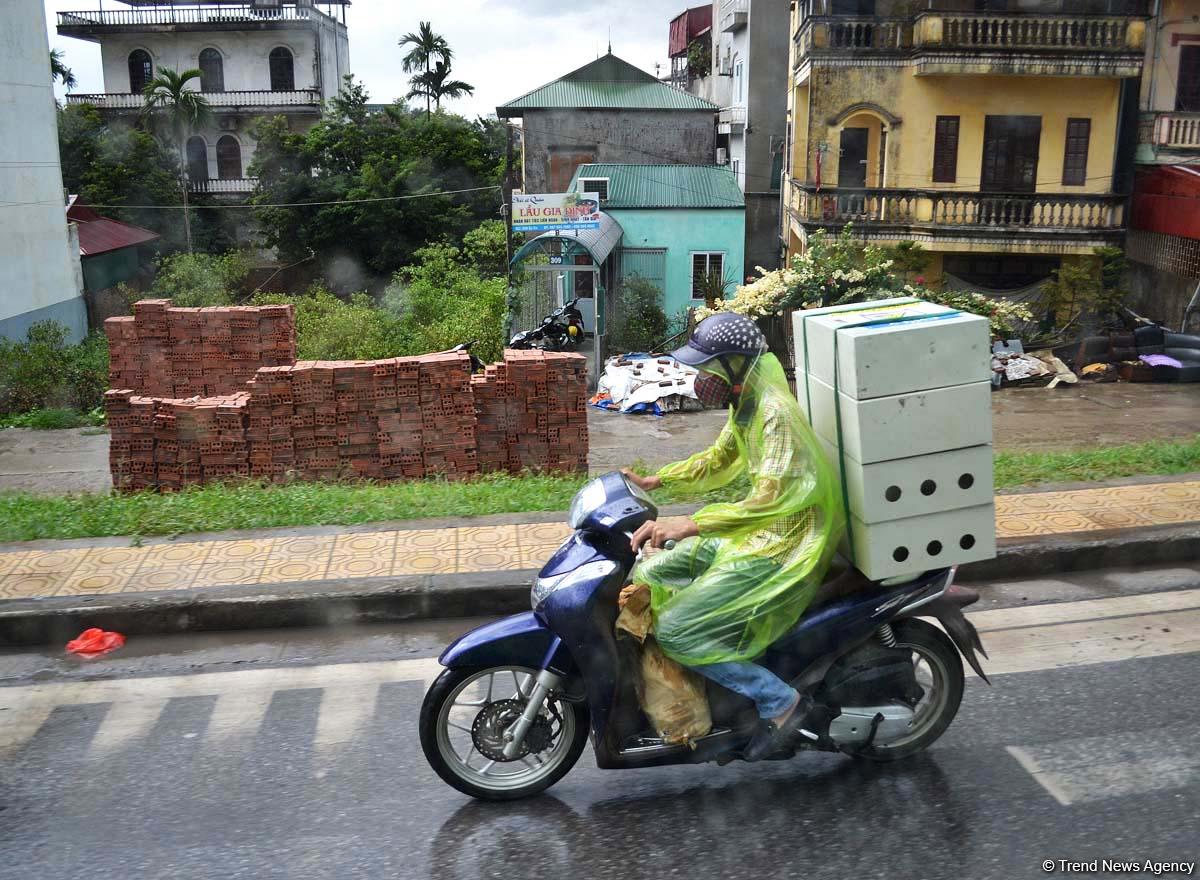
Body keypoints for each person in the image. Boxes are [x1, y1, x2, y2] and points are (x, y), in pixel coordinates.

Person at [620, 312, 867, 761]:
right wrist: (660, 480)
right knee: (653, 568)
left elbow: (770, 501)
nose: (700, 380)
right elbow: (719, 458)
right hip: (753, 536)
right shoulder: (747, 404)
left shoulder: (775, 417)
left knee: (677, 630)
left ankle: (780, 702)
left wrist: (692, 523)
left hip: (782, 547)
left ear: (736, 367)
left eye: (708, 369)